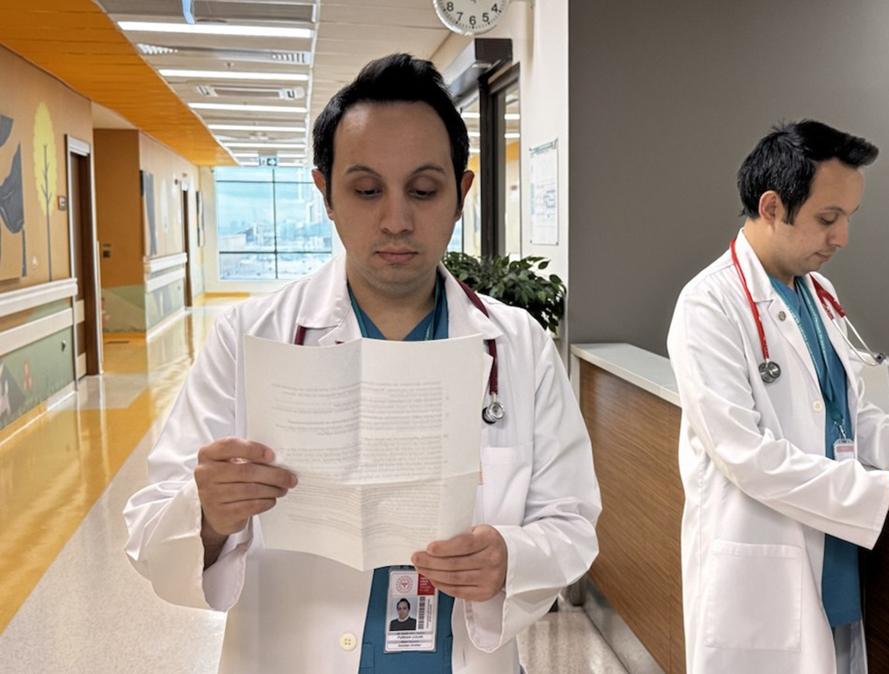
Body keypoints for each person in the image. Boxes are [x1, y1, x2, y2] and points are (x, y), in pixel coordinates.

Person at [124, 53, 601, 673]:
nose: (396, 221)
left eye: (423, 191)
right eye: (367, 190)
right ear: (325, 193)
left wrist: (511, 558)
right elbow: (149, 530)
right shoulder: (250, 338)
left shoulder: (518, 346)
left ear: (461, 194)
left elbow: (570, 521)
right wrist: (210, 514)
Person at [666, 120, 889, 674]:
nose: (842, 237)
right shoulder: (708, 305)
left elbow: (850, 416)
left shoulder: (819, 292)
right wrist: (881, 490)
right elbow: (745, 456)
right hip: (763, 568)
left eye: (849, 217)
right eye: (828, 218)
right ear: (772, 206)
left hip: (834, 553)